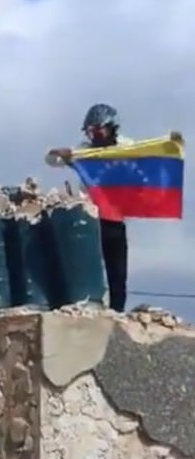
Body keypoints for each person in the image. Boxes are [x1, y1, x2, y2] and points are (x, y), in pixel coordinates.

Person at [46, 104, 183, 312]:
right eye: (91, 131)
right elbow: (52, 161)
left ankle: (116, 312)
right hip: (88, 217)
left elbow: (148, 156)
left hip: (114, 217)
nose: (95, 135)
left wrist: (168, 145)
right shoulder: (84, 150)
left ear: (111, 127)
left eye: (99, 130)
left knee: (117, 270)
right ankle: (81, 306)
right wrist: (60, 154)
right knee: (83, 264)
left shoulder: (126, 146)